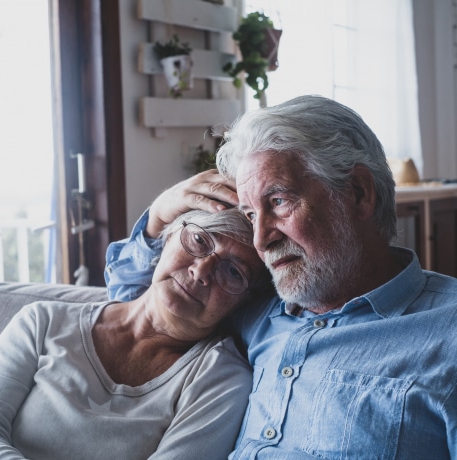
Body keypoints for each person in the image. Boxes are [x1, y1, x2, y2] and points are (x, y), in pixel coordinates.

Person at [105, 95, 457, 459]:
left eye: (278, 202)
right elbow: (138, 304)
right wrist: (156, 219)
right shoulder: (254, 309)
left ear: (358, 193)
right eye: (251, 215)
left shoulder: (448, 334)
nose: (261, 239)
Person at [0, 208, 265, 460]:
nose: (200, 270)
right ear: (167, 238)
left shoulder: (221, 380)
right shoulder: (43, 322)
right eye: (198, 241)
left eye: (233, 272)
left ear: (244, 302)